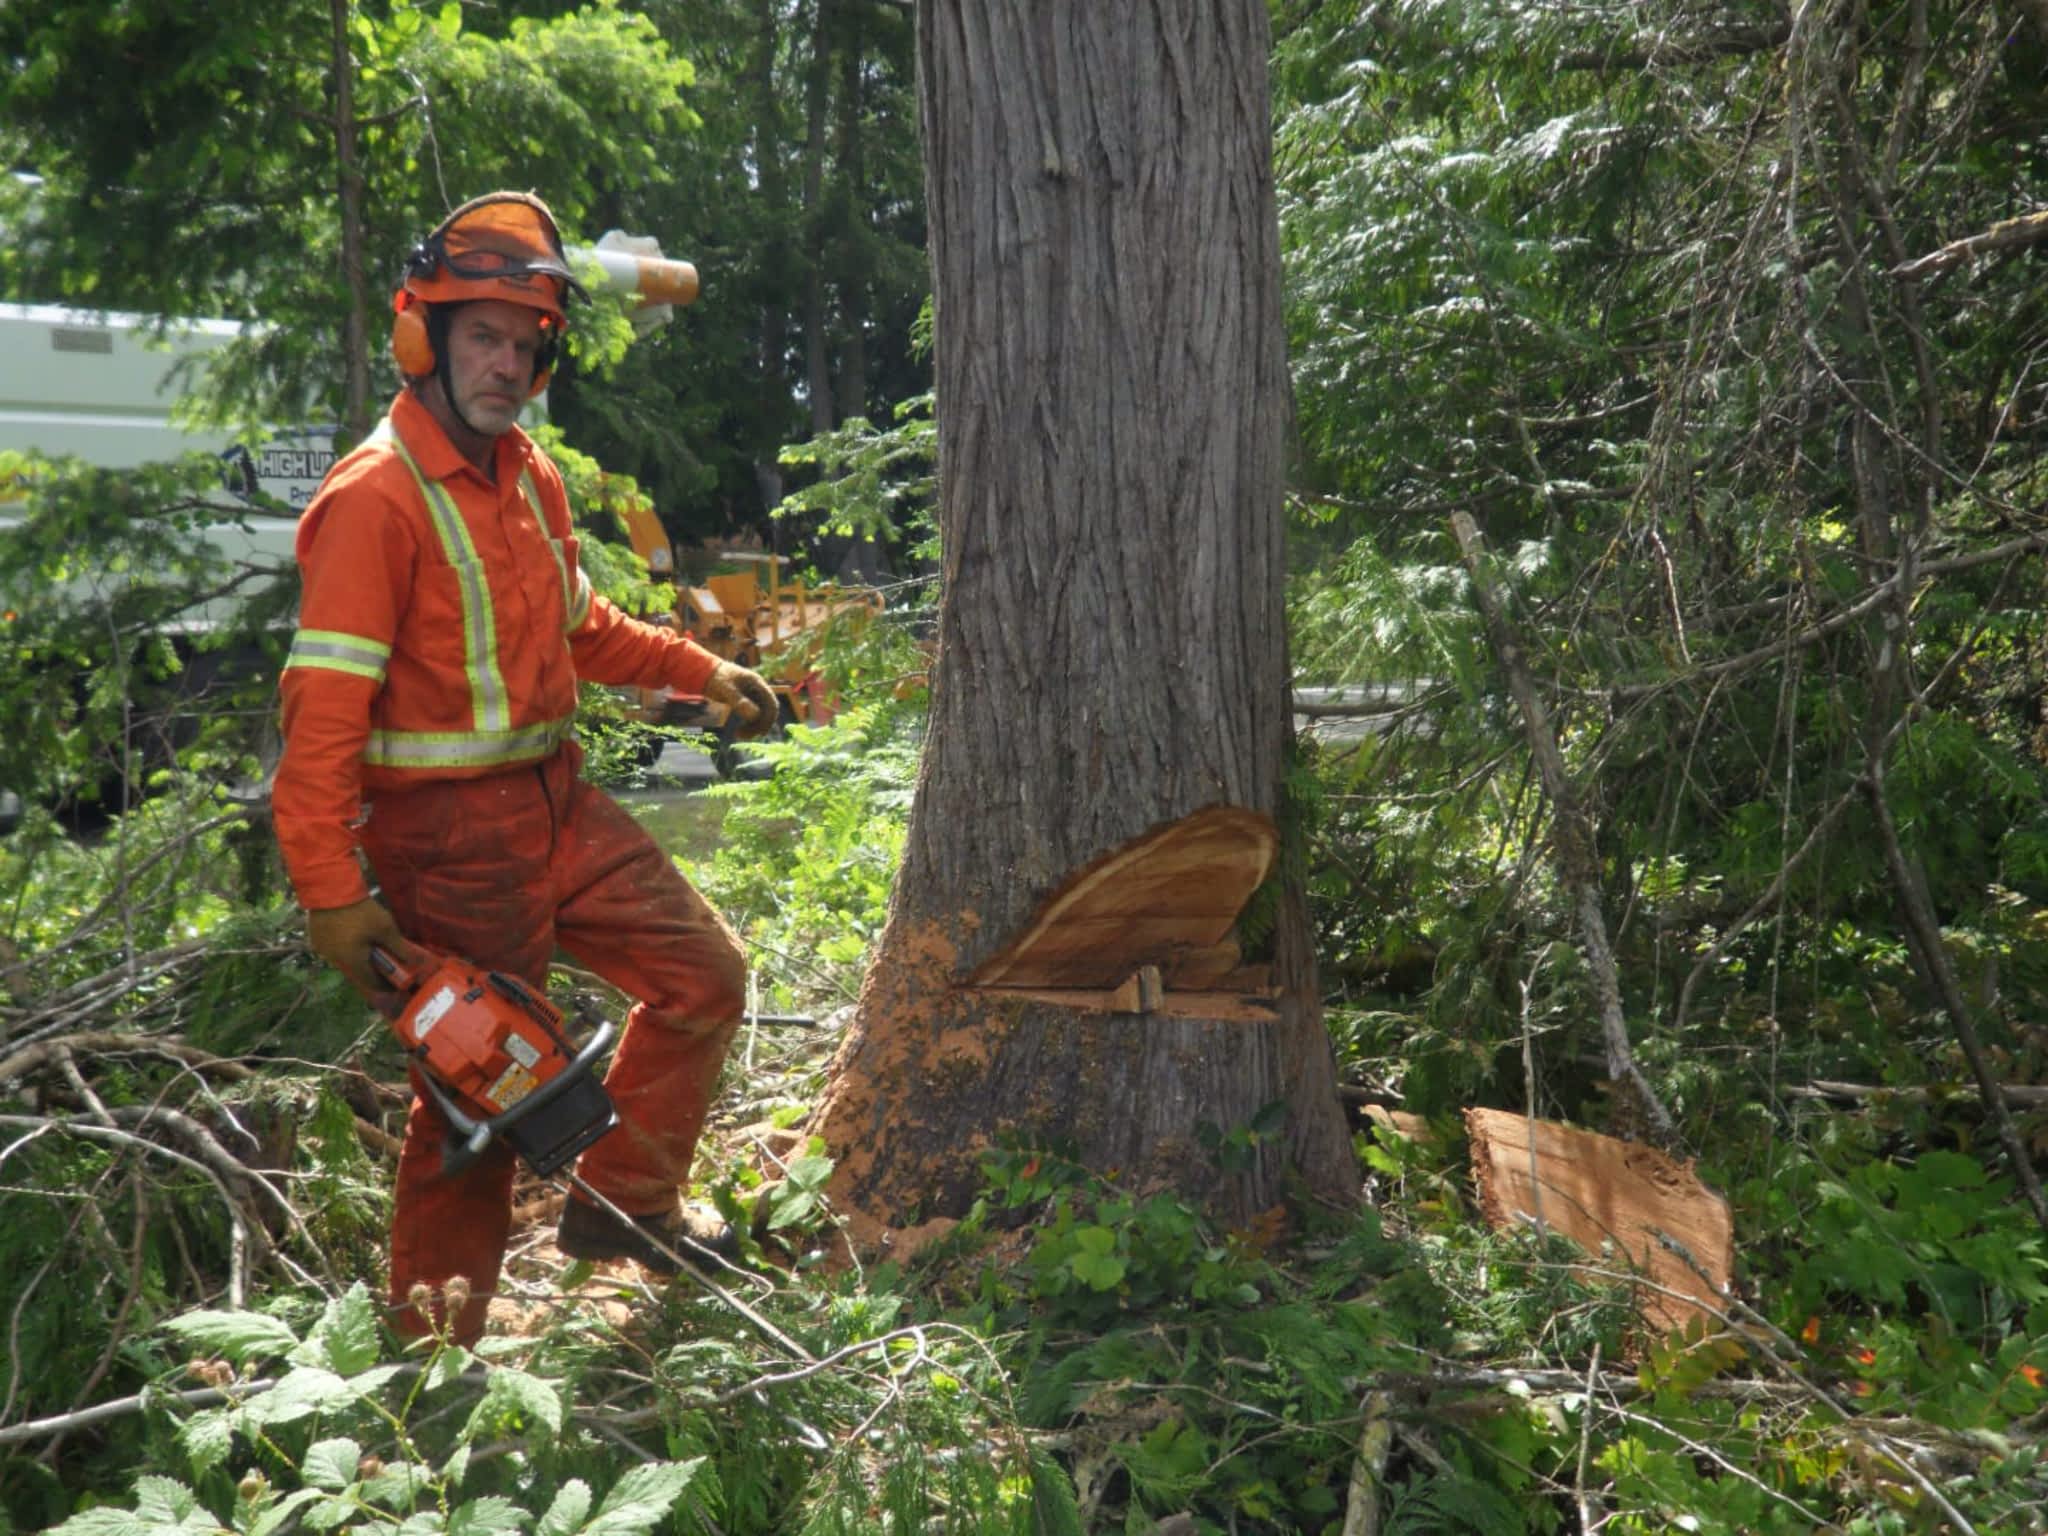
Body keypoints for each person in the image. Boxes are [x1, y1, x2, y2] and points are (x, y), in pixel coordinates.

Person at [271, 191, 779, 1345]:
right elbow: (319, 723)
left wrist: (700, 670)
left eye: (523, 345)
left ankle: (622, 1208)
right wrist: (330, 893)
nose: (504, 365)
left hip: (556, 803)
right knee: (476, 1105)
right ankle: (428, 1364)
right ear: (428, 340)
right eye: (481, 339)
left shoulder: (530, 478)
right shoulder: (376, 499)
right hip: (443, 840)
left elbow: (583, 629)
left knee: (701, 973)